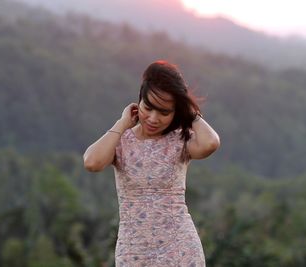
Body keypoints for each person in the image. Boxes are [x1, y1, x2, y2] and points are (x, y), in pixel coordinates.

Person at [83, 60, 220, 266]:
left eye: (164, 112)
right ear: (138, 103)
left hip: (180, 248)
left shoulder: (180, 140)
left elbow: (211, 143)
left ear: (175, 112)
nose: (154, 118)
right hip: (133, 251)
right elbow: (92, 162)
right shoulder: (121, 140)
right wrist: (122, 123)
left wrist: (190, 112)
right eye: (148, 107)